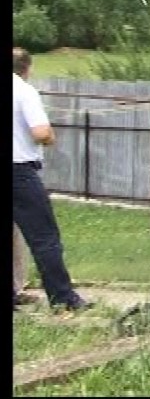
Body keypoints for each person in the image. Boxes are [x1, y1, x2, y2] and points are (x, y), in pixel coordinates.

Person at [12, 47, 91, 311]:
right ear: (27, 69)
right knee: (44, 236)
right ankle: (62, 297)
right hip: (19, 171)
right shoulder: (24, 91)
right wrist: (50, 137)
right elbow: (40, 132)